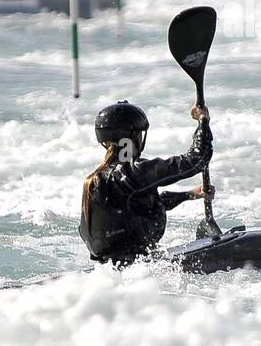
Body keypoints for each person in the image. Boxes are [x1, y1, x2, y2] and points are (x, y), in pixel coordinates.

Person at [80, 101, 213, 265]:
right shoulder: (136, 170)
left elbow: (139, 209)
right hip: (140, 267)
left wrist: (189, 194)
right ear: (133, 138)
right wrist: (203, 121)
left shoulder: (95, 180)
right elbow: (197, 159)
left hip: (107, 269)